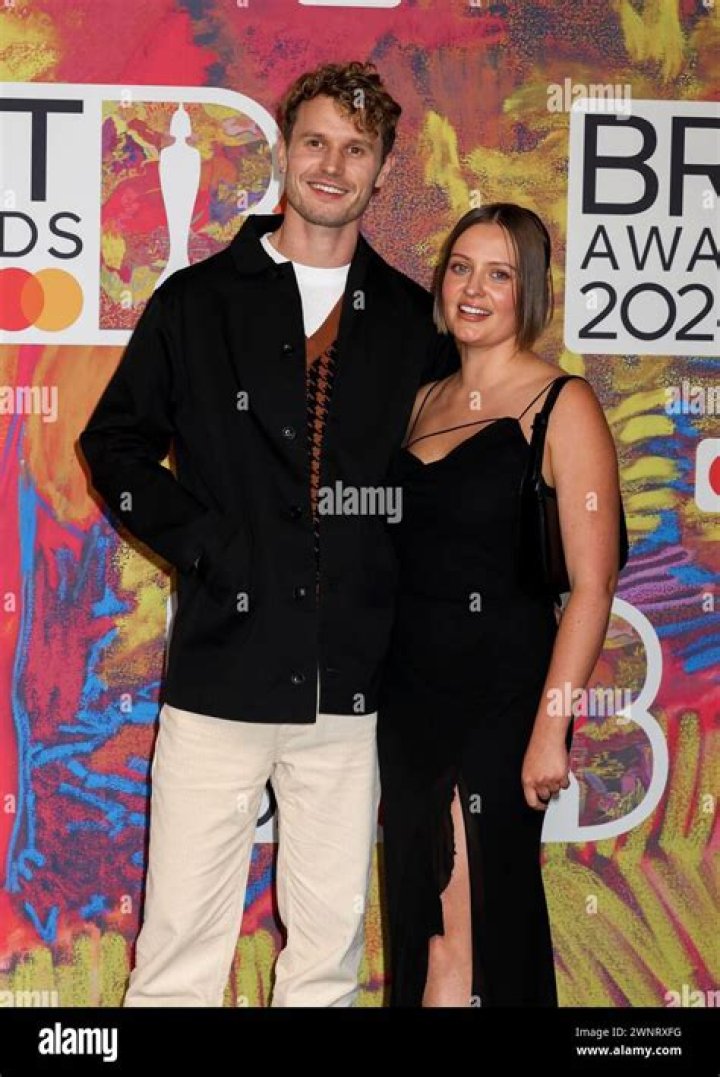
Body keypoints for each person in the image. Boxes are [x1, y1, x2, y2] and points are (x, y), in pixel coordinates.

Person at [79, 60, 457, 1008]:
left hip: (350, 686)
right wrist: (209, 545)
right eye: (316, 142)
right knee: (178, 951)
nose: (332, 165)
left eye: (356, 149)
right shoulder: (197, 302)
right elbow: (114, 445)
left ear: (383, 170)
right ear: (285, 150)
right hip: (222, 673)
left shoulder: (413, 323)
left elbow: (434, 493)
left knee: (326, 961)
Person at [377, 203, 623, 1007]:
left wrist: (551, 725)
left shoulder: (562, 402)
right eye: (460, 268)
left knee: (472, 923)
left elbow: (593, 583)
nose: (473, 289)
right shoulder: (421, 401)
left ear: (531, 292)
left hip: (504, 700)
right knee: (424, 926)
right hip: (410, 703)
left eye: (499, 274)